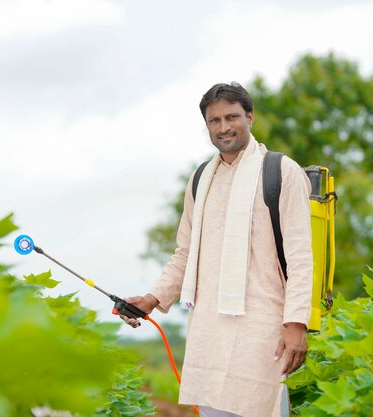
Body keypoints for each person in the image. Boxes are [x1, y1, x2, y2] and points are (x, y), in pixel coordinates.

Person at [121, 82, 313, 417]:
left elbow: (300, 256)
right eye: (214, 120)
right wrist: (153, 298)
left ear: (249, 117)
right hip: (208, 328)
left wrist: (296, 324)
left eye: (232, 117)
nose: (223, 127)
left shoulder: (281, 171)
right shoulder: (200, 180)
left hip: (263, 328)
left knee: (261, 407)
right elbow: (184, 253)